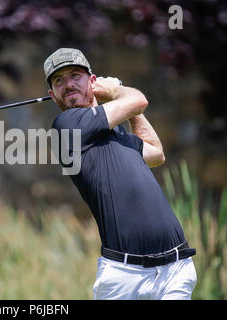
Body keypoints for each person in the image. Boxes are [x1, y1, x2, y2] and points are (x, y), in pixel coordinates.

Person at [44, 48, 197, 300]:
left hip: (175, 268)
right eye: (59, 80)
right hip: (125, 276)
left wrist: (129, 110)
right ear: (52, 95)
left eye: (75, 75)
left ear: (92, 82)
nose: (68, 84)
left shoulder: (118, 135)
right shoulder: (66, 127)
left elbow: (156, 153)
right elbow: (138, 100)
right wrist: (117, 91)